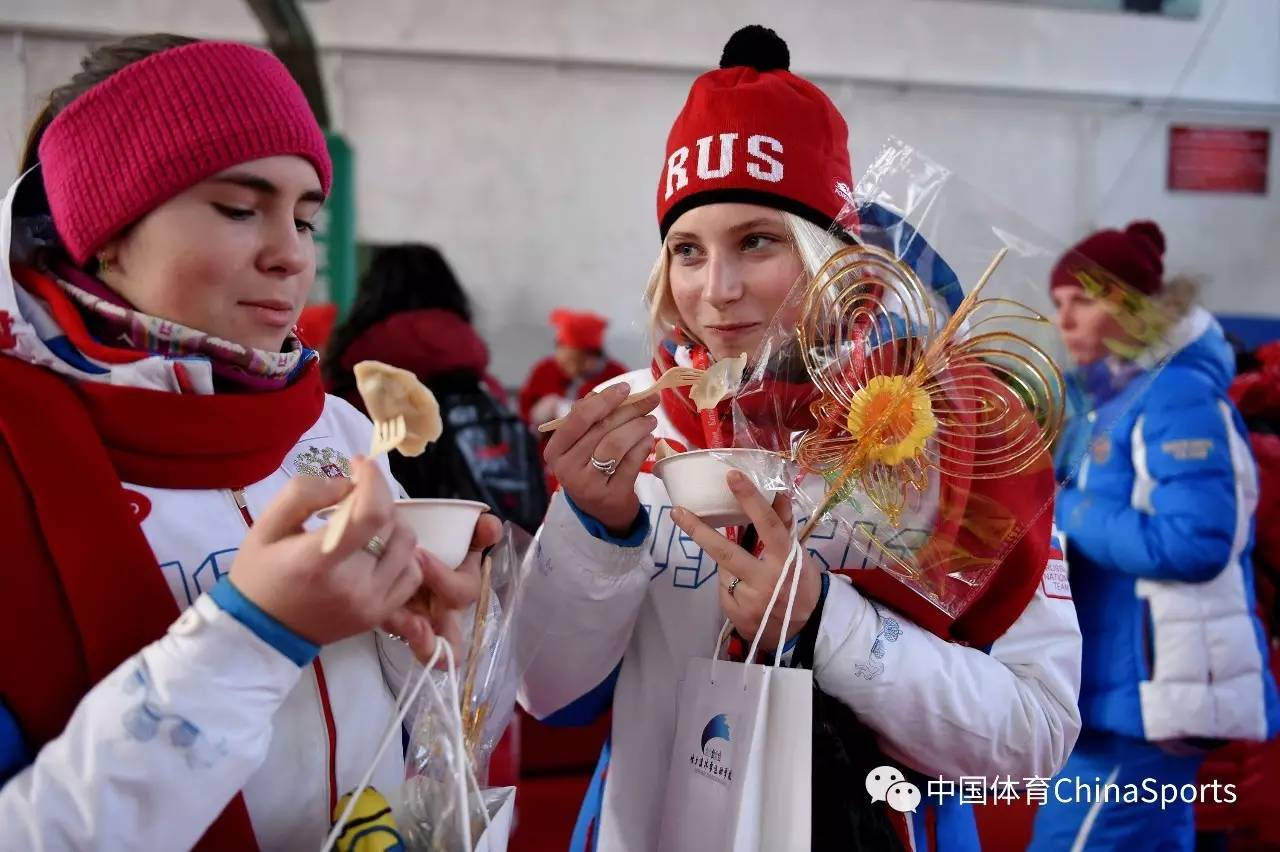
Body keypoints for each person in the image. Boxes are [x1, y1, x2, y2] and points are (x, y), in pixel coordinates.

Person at [517, 25, 1082, 851]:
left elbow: (1033, 743)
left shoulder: (943, 431)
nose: (718, 292)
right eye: (686, 250)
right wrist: (593, 534)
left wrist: (826, 622)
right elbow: (547, 694)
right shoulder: (636, 428)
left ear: (831, 258)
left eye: (758, 241)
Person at [0, 35, 496, 849]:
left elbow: (416, 726)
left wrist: (431, 635)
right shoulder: (17, 460)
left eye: (306, 218)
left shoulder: (334, 429)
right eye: (239, 209)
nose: (291, 254)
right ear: (106, 231)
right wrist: (252, 634)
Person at [1029, 222, 1279, 851]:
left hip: (1149, 691)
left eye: (1082, 300)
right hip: (1117, 684)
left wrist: (1068, 508)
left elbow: (1194, 544)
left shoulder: (1178, 395)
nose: (1065, 319)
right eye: (1058, 304)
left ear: (1131, 304)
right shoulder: (1106, 400)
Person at [326, 243, 548, 532]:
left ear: (374, 292)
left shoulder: (360, 369)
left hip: (388, 530)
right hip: (479, 530)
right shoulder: (474, 368)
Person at [518, 308, 628, 429]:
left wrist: (567, 409)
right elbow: (524, 413)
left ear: (591, 358)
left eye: (571, 361)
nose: (563, 367)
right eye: (561, 360)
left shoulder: (617, 376)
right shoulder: (546, 370)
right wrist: (536, 415)